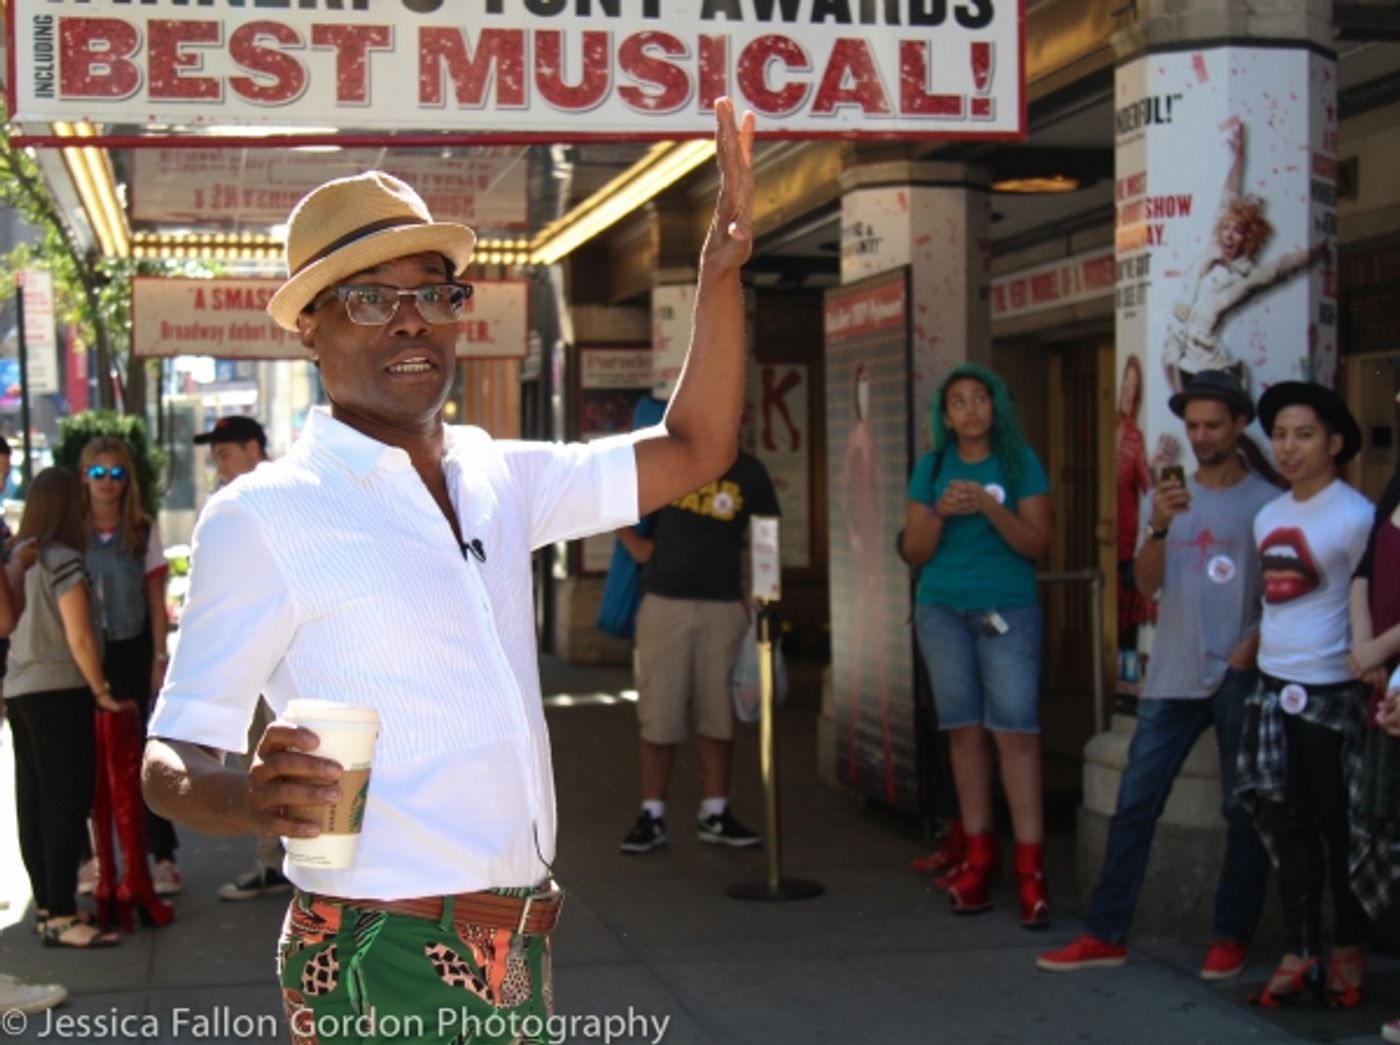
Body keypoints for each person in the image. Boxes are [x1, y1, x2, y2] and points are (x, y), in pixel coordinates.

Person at [142, 99, 754, 1034]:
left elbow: (698, 443)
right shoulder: (262, 516)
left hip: (519, 932)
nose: (411, 323)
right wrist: (244, 798)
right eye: (370, 298)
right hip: (376, 944)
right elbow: (171, 756)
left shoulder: (497, 474)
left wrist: (720, 275)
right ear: (309, 324)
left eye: (434, 292)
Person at [1037, 370, 1275, 978]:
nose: (1201, 437)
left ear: (1240, 425)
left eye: (1213, 426)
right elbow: (1144, 585)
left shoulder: (1267, 504)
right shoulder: (1164, 498)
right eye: (1193, 426)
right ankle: (1105, 932)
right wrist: (1162, 526)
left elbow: (1286, 596)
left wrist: (1254, 643)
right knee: (1135, 804)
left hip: (1238, 673)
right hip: (1171, 674)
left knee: (1242, 809)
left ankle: (1230, 934)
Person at [1235, 381, 1376, 1008]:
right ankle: (1298, 950)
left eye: (1305, 435)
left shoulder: (1356, 516)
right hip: (1271, 689)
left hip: (1334, 693)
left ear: (1335, 443)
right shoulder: (1267, 514)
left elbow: (1371, 601)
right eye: (1282, 436)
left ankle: (1349, 947)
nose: (1289, 448)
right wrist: (1255, 641)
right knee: (1285, 824)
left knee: (1341, 826)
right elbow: (1276, 598)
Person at [900, 363, 1053, 927]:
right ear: (945, 416)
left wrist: (989, 506)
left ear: (997, 408)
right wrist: (942, 510)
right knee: (963, 733)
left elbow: (1036, 542)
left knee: (1015, 733)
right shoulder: (932, 466)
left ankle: (1033, 872)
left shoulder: (1020, 463)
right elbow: (915, 551)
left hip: (1007, 609)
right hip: (942, 609)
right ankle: (979, 857)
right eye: (958, 402)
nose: (970, 409)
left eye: (980, 399)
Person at [616, 448, 779, 854]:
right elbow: (617, 500)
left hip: (724, 604)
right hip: (664, 601)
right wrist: (636, 545)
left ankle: (715, 812)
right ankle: (651, 814)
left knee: (719, 715)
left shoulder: (749, 471)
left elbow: (765, 538)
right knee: (660, 713)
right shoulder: (668, 458)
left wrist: (763, 599)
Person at [6, 467, 126, 948]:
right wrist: (100, 689)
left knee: (34, 805)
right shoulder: (63, 560)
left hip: (21, 689)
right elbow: (79, 636)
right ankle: (62, 913)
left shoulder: (21, 558)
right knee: (65, 803)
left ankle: (46, 910)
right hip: (60, 689)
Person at [190, 416, 289, 902]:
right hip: (251, 655)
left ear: (253, 448)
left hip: (292, 654)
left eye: (226, 455)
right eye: (216, 460)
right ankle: (272, 861)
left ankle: (314, 863)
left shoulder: (289, 494)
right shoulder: (228, 507)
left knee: (301, 753)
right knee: (263, 757)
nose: (221, 467)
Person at [79, 437, 181, 903]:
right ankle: (96, 859)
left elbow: (157, 604)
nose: (108, 484)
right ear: (84, 477)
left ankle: (161, 856)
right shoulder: (73, 532)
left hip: (134, 649)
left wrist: (160, 658)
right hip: (87, 657)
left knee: (143, 755)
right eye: (98, 474)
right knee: (89, 759)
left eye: (116, 473)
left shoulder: (141, 529)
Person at [1163, 122, 1325, 395]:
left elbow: (1278, 269)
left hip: (1201, 359)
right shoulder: (1212, 249)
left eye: (1237, 231)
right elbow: (1228, 197)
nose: (1228, 236)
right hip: (1175, 346)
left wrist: (1315, 252)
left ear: (1247, 238)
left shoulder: (1244, 276)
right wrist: (1239, 157)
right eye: (1226, 228)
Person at [194, 415, 268, 488]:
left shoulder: (276, 490)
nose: (220, 470)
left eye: (224, 456)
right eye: (216, 460)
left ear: (252, 448)